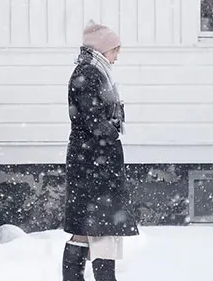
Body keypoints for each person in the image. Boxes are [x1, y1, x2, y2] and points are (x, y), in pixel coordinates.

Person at [61, 21, 138, 281]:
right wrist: (112, 130)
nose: (117, 57)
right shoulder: (89, 73)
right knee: (102, 228)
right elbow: (92, 118)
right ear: (104, 50)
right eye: (115, 51)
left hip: (92, 161)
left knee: (87, 229)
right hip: (93, 163)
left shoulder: (92, 71)